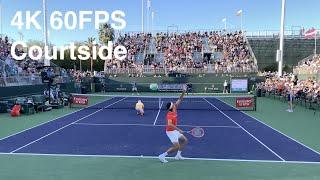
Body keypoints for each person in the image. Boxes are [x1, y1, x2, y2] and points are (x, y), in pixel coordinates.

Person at [158, 85, 188, 163]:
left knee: (185, 140)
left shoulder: (174, 107)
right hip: (170, 131)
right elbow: (169, 124)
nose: (174, 104)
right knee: (177, 146)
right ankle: (162, 156)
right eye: (173, 104)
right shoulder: (169, 114)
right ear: (171, 107)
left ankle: (178, 156)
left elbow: (180, 99)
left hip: (174, 130)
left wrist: (184, 92)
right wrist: (179, 130)